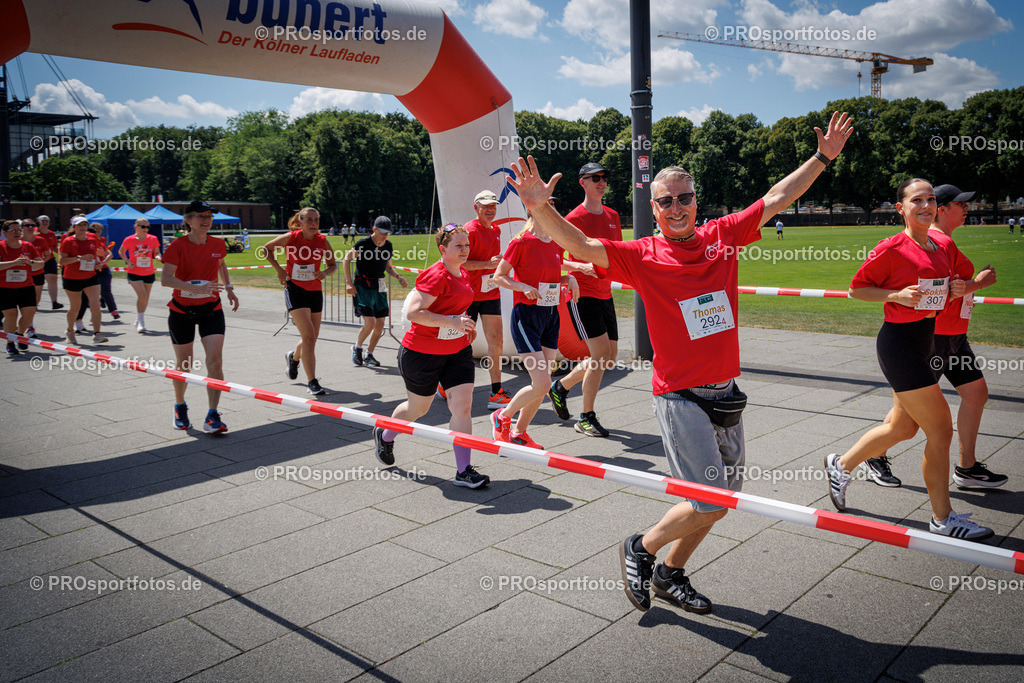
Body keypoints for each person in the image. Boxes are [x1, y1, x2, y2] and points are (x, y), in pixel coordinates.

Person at [505, 111, 853, 615]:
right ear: (654, 207)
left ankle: (670, 573)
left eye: (683, 198)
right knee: (709, 498)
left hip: (725, 391)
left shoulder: (723, 236)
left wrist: (822, 158)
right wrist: (540, 208)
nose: (675, 207)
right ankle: (640, 549)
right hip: (679, 396)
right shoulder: (643, 254)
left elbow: (777, 198)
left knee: (721, 501)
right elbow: (579, 244)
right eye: (665, 201)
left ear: (696, 201)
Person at [824, 179, 993, 542]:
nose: (926, 205)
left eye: (931, 200)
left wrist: (959, 288)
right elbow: (856, 289)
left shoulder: (939, 246)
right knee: (941, 429)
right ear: (900, 207)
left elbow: (947, 288)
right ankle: (942, 519)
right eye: (917, 200)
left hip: (927, 342)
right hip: (900, 345)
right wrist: (896, 295)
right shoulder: (892, 247)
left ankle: (842, 465)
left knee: (903, 428)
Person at [861, 184, 1006, 490]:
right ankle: (869, 457)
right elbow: (952, 287)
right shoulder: (930, 242)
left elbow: (954, 284)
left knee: (974, 394)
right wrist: (978, 283)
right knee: (907, 420)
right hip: (934, 336)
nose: (966, 208)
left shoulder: (942, 243)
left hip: (954, 335)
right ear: (943, 209)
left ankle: (965, 468)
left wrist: (968, 285)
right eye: (960, 204)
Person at [373, 224, 489, 488]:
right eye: (458, 246)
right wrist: (451, 322)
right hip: (421, 354)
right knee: (419, 409)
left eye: (466, 245)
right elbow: (414, 313)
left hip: (457, 351)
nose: (464, 250)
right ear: (442, 249)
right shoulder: (435, 276)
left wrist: (464, 326)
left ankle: (463, 470)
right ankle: (386, 433)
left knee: (463, 406)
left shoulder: (461, 272)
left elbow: (456, 309)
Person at [490, 209, 579, 450]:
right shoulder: (521, 242)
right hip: (526, 318)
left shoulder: (556, 243)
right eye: (547, 209)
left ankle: (519, 432)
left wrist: (569, 279)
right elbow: (499, 276)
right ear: (534, 212)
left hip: (550, 316)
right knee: (541, 384)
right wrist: (521, 286)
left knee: (541, 383)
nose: (552, 213)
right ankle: (503, 416)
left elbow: (550, 276)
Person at [550, 163, 621, 437]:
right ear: (583, 183)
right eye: (595, 178)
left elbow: (615, 253)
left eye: (604, 177)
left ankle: (561, 387)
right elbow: (557, 259)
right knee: (600, 355)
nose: (602, 182)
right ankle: (586, 417)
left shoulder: (613, 215)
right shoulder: (573, 219)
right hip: (582, 294)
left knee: (609, 358)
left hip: (605, 293)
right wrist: (578, 270)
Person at [160, 200, 240, 433]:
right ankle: (180, 406)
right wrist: (195, 288)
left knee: (215, 362)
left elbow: (221, 263)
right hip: (181, 311)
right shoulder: (177, 245)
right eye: (200, 216)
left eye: (208, 216)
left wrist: (229, 287)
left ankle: (212, 414)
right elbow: (166, 279)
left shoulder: (217, 243)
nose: (206, 220)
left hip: (211, 310)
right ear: (188, 220)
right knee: (184, 365)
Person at [265, 207, 336, 396]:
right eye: (310, 220)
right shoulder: (291, 238)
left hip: (315, 291)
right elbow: (266, 249)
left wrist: (324, 273)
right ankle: (312, 381)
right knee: (309, 337)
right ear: (301, 222)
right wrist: (280, 271)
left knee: (311, 337)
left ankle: (294, 358)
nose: (314, 224)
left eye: (316, 220)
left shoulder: (322, 241)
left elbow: (332, 265)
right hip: (295, 289)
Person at [463, 190, 513, 409]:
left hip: (491, 292)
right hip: (469, 295)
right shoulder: (468, 230)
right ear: (476, 208)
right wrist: (487, 264)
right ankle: (448, 383)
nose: (490, 210)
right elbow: (461, 263)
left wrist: (499, 264)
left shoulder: (497, 229)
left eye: (493, 206)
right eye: (486, 206)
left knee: (497, 341)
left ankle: (496, 392)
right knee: (462, 342)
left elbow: (492, 262)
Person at [344, 216, 407, 367]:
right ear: (374, 230)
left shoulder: (388, 246)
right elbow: (347, 259)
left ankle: (369, 354)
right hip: (363, 285)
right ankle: (357, 347)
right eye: (383, 232)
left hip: (379, 286)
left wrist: (398, 277)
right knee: (370, 322)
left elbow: (388, 267)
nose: (386, 235)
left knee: (380, 323)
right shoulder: (363, 244)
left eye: (388, 232)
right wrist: (348, 283)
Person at [58, 216, 108, 345]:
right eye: (79, 225)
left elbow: (95, 255)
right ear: (74, 227)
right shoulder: (68, 241)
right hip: (72, 277)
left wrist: (98, 263)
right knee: (76, 307)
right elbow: (62, 261)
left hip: (91, 276)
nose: (82, 227)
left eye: (85, 225)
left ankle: (97, 334)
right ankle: (70, 331)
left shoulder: (92, 239)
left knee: (95, 304)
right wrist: (79, 258)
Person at [1, 220, 44, 357]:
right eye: (13, 230)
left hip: (26, 286)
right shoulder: (1, 246)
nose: (17, 233)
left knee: (30, 312)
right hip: (5, 288)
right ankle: (10, 344)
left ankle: (19, 336)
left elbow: (40, 264)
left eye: (19, 230)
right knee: (11, 316)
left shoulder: (28, 246)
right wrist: (14, 263)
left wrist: (30, 262)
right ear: (4, 233)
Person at [119, 217, 163, 333]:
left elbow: (157, 252)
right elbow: (120, 251)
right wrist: (127, 261)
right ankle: (142, 322)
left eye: (148, 227)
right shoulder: (129, 239)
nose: (146, 229)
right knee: (142, 295)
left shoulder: (152, 238)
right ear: (136, 226)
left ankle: (138, 318)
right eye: (143, 226)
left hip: (149, 271)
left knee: (145, 298)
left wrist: (158, 257)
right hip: (134, 272)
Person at [35, 215, 63, 310]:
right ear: (38, 222)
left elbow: (55, 247)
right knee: (38, 283)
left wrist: (61, 254)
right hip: (36, 260)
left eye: (47, 221)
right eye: (43, 220)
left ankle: (54, 302)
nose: (45, 222)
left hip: (49, 259)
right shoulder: (34, 232)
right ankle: (34, 303)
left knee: (53, 278)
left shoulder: (51, 234)